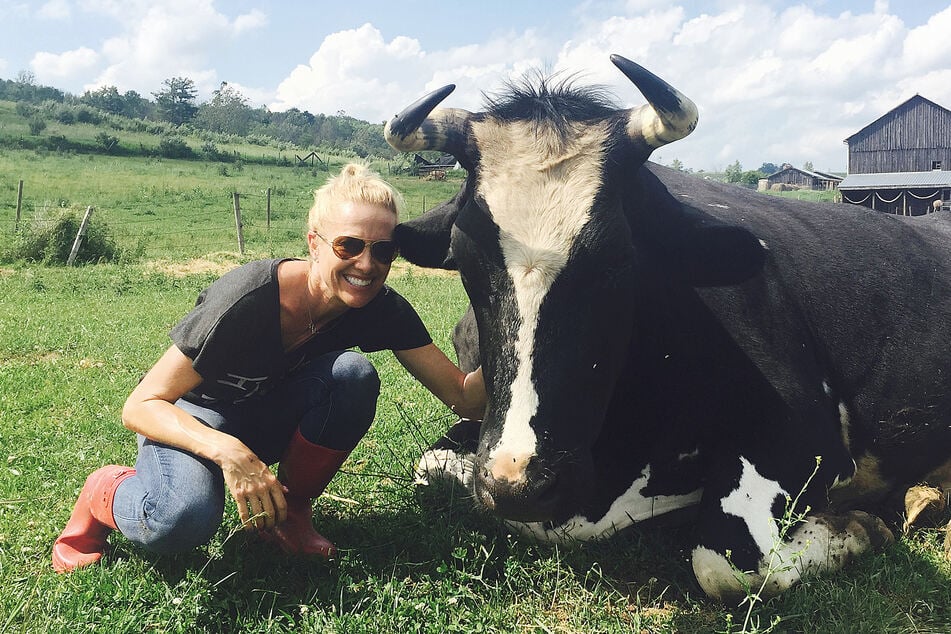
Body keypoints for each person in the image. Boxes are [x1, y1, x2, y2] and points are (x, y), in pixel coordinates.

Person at [52, 163, 485, 572]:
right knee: (179, 521)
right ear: (314, 243)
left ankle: (289, 512)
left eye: (384, 251)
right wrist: (229, 451)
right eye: (348, 246)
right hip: (193, 416)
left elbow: (463, 396)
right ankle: (102, 493)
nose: (367, 265)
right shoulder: (249, 299)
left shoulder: (381, 308)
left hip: (264, 414)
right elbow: (141, 405)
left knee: (352, 375)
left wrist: (522, 335)